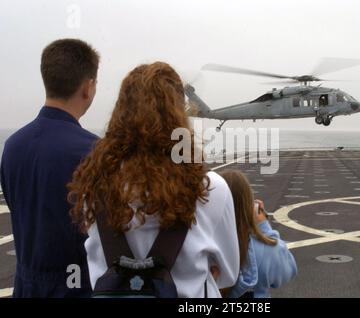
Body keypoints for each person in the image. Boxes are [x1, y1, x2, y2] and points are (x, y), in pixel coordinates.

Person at [67, 62, 240, 297]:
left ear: (120, 114)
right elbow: (228, 273)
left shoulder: (92, 185)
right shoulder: (212, 188)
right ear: (179, 115)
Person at [0, 39, 100, 297]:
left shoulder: (12, 146)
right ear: (87, 88)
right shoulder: (95, 151)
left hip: (26, 286)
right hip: (77, 288)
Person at [219, 169, 297, 298]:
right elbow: (287, 271)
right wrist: (264, 226)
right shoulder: (266, 249)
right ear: (250, 205)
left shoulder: (203, 245)